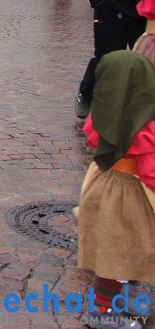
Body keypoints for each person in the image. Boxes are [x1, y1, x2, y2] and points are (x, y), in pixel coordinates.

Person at [76, 50, 155, 329]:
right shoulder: (143, 121)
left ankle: (119, 303)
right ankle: (103, 313)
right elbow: (150, 168)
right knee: (125, 252)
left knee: (111, 253)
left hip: (102, 185)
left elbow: (95, 139)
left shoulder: (104, 111)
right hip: (130, 195)